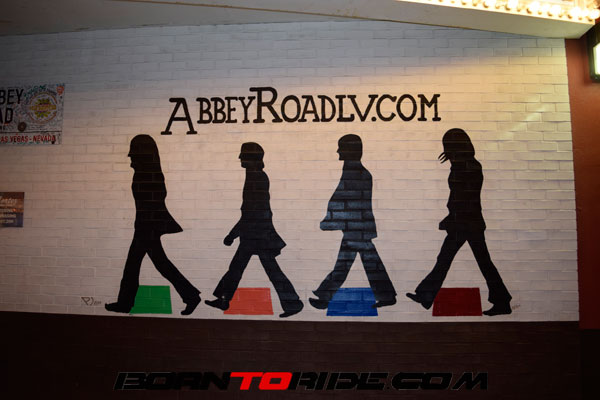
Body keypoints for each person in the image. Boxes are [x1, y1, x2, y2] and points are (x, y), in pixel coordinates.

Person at [406, 128, 512, 316]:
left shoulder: (466, 167)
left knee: (464, 261)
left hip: (465, 223)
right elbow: (460, 197)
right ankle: (501, 301)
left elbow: (464, 198)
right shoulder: (466, 165)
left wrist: (451, 218)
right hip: (466, 222)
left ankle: (426, 295)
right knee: (469, 261)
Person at [205, 142, 303, 318]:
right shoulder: (254, 176)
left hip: (257, 235)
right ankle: (224, 299)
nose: (240, 158)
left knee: (259, 270)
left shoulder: (257, 178)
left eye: (243, 155)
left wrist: (232, 234)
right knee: (239, 268)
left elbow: (252, 211)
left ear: (251, 158)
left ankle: (293, 303)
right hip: (254, 233)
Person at [105, 135, 201, 315]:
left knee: (137, 265)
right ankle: (190, 295)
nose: (131, 161)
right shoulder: (146, 173)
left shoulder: (148, 174)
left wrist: (145, 225)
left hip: (146, 228)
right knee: (156, 264)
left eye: (133, 156)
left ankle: (125, 303)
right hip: (145, 227)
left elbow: (155, 200)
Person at [309, 134, 397, 310]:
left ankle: (324, 297)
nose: (338, 151)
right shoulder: (357, 172)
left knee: (345, 265)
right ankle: (387, 296)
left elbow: (344, 198)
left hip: (356, 229)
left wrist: (331, 219)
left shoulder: (355, 173)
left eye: (341, 148)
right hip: (357, 228)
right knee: (369, 264)